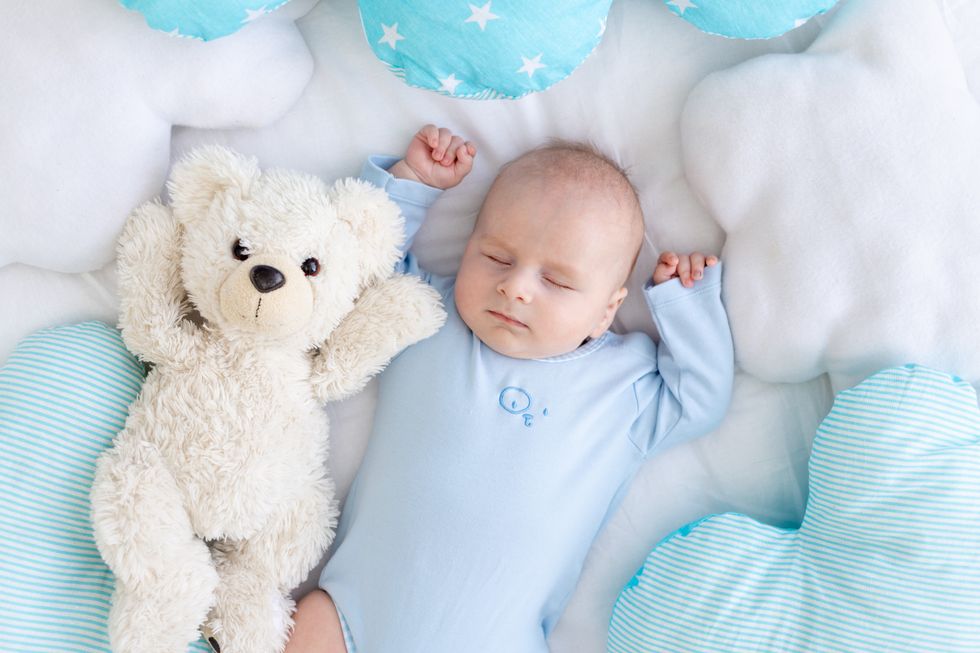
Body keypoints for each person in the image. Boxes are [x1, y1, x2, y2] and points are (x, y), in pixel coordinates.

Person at [284, 125, 734, 653]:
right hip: (352, 618)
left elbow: (701, 400)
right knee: (309, 620)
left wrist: (685, 306)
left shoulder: (623, 388)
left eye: (558, 282)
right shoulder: (426, 314)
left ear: (608, 308)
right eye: (497, 256)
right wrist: (413, 182)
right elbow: (360, 269)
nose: (515, 287)